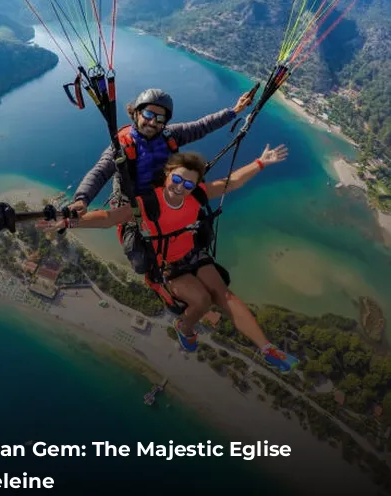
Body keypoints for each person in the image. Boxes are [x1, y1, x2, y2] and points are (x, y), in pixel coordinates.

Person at [47, 145, 299, 373]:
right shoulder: (148, 203)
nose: (180, 187)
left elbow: (231, 182)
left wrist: (261, 162)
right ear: (167, 175)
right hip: (166, 264)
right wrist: (70, 221)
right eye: (176, 179)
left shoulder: (197, 195)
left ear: (195, 186)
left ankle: (267, 349)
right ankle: (184, 328)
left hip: (192, 252)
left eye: (188, 184)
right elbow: (108, 218)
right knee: (201, 301)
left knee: (224, 295)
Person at [68, 86, 256, 272]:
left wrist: (235, 111)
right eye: (148, 115)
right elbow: (100, 172)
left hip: (166, 197)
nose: (152, 122)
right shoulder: (121, 146)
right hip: (134, 205)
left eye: (160, 119)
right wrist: (82, 199)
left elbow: (202, 126)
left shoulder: (169, 135)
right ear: (136, 113)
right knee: (142, 263)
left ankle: (186, 257)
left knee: (204, 235)